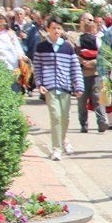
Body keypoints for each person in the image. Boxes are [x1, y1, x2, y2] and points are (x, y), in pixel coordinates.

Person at [32, 15, 84, 161]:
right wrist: (39, 83)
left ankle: (63, 139)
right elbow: (37, 67)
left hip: (65, 86)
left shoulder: (67, 47)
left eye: (59, 28)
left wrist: (78, 86)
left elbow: (75, 68)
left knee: (65, 118)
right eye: (53, 28)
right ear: (48, 29)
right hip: (50, 87)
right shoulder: (41, 47)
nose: (56, 31)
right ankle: (56, 148)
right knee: (55, 116)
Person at [75, 13, 110, 133]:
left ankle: (84, 124)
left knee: (82, 101)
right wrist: (93, 62)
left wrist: (83, 61)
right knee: (97, 99)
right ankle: (101, 122)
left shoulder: (79, 39)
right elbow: (102, 55)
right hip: (94, 73)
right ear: (93, 29)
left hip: (83, 72)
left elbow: (76, 54)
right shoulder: (97, 40)